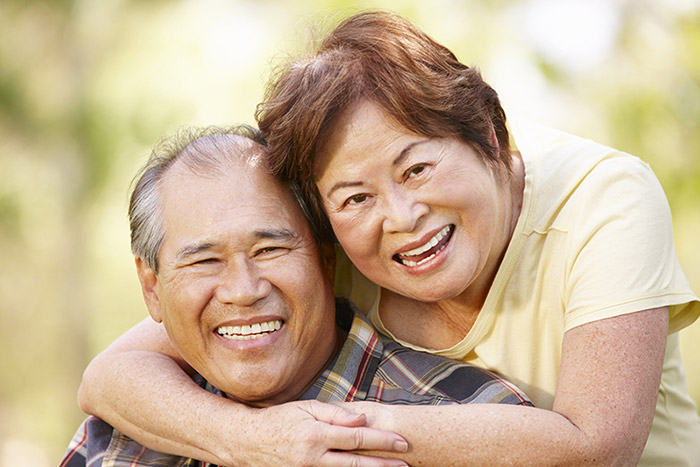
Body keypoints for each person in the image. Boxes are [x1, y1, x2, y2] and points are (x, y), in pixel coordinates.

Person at [76, 10, 700, 466]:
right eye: (355, 197)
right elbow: (111, 375)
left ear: (488, 134)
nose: (400, 216)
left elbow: (599, 447)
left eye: (417, 169)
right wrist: (253, 439)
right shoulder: (337, 242)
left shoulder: (603, 199)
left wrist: (320, 431)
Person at [63, 125, 531, 467]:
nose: (244, 291)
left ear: (328, 260)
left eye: (270, 249)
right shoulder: (125, 433)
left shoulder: (476, 424)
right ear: (152, 288)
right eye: (204, 261)